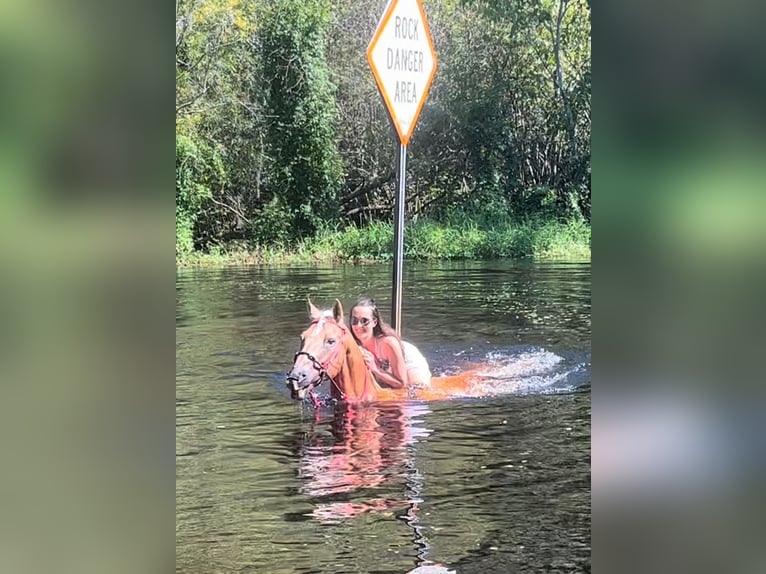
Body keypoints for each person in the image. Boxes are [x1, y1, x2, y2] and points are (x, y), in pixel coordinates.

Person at [349, 298, 432, 389]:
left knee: (417, 392)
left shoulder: (389, 343)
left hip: (407, 359)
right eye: (354, 321)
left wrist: (375, 369)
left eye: (364, 321)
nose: (358, 326)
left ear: (374, 322)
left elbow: (401, 383)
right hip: (384, 368)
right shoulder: (351, 344)